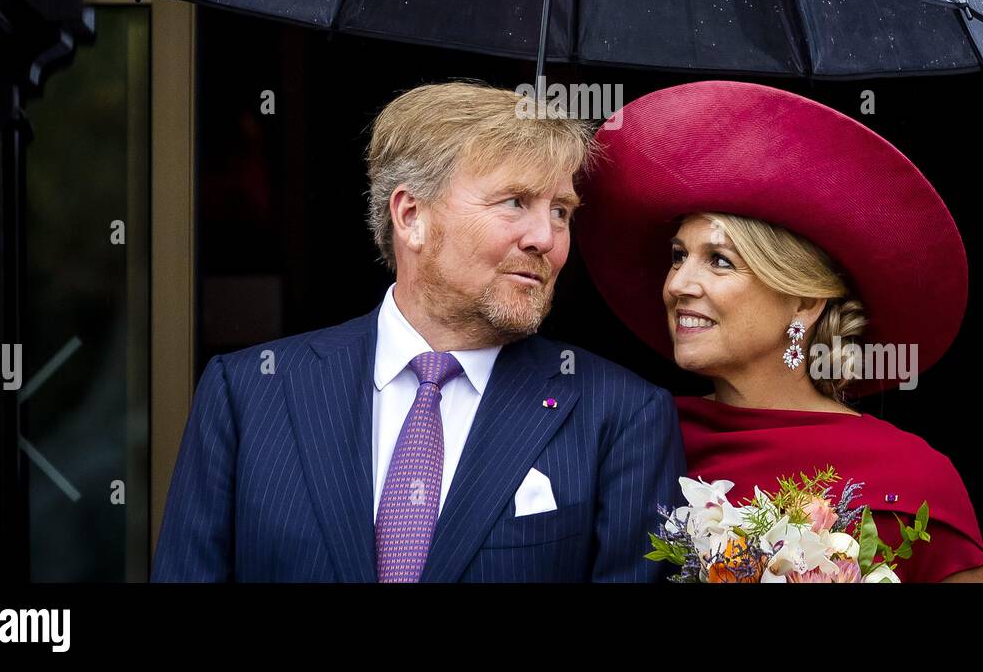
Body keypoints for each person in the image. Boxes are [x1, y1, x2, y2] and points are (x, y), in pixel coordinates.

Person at [152, 80, 685, 582]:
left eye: (562, 211)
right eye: (515, 202)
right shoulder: (248, 394)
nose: (546, 238)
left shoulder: (622, 415)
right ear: (411, 216)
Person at [576, 80, 983, 582]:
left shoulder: (913, 476)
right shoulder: (630, 440)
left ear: (805, 301)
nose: (678, 284)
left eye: (720, 261)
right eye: (678, 256)